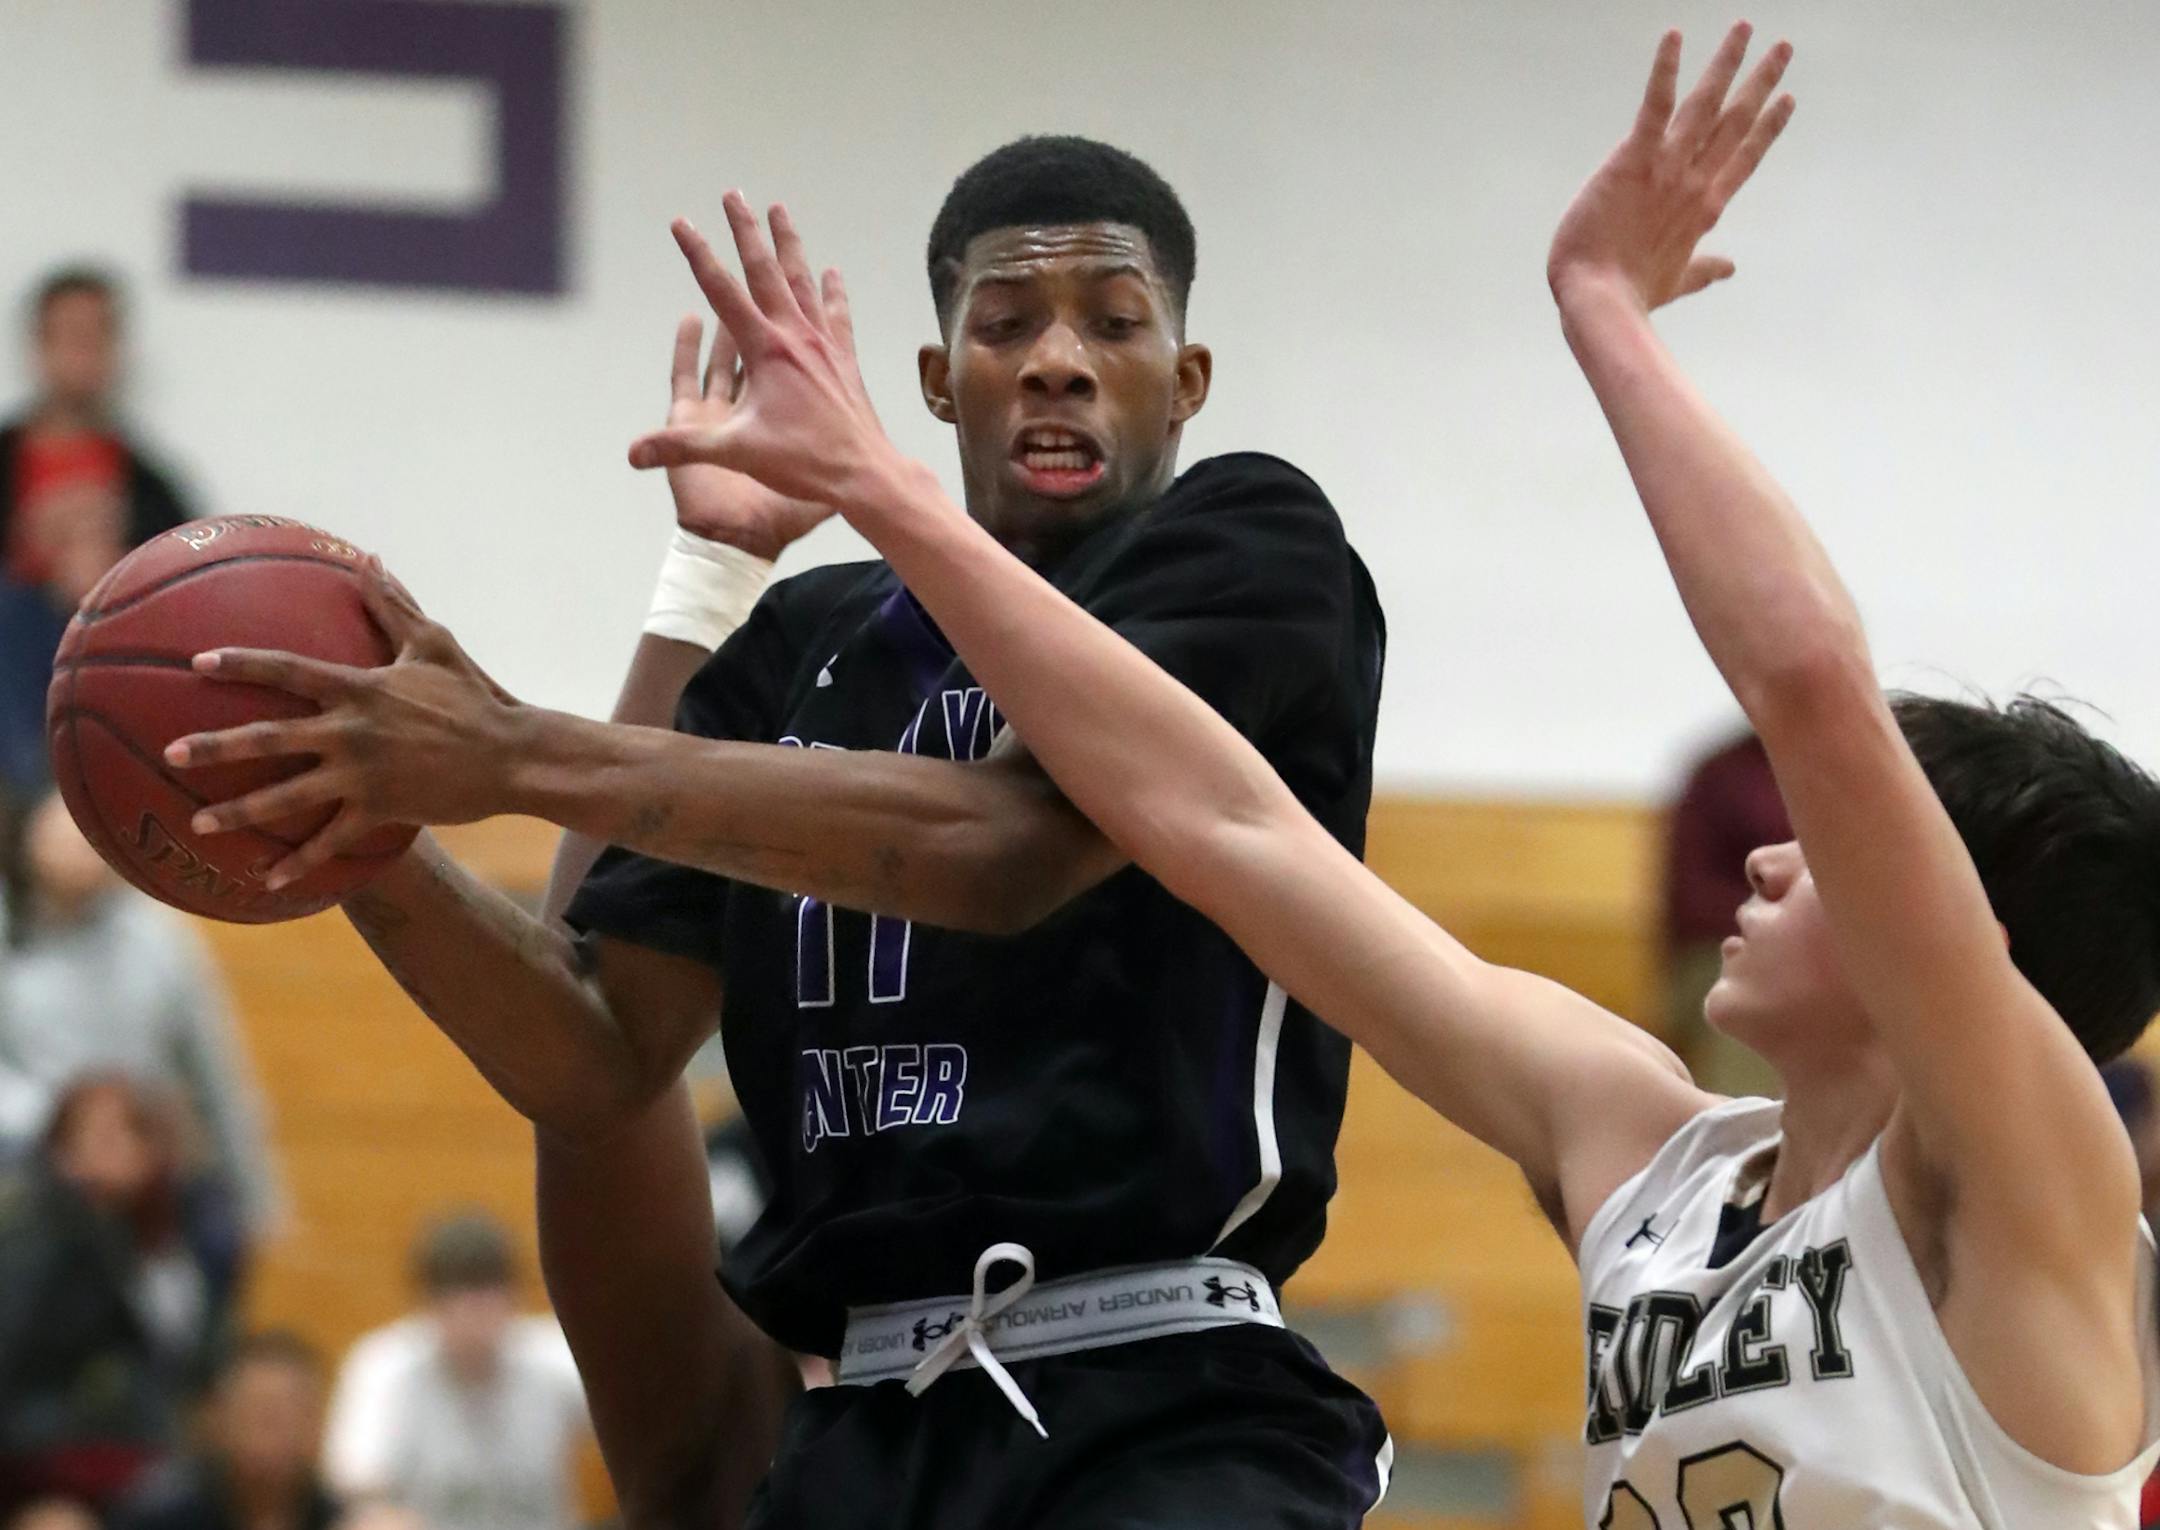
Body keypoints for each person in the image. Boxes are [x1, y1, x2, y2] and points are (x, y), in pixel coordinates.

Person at [589, 22, 2160, 1528]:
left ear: (1961, 936)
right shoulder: (1652, 1155)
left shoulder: (2023, 1193)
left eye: (1825, 849)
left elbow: (1811, 690)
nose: (1765, 855)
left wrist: (1602, 303)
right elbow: (1225, 827)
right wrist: (858, 511)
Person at [164, 137, 1391, 1527]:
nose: (1057, 358)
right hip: (865, 1422)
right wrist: (352, 821)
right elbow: (591, 1051)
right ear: (940, 383)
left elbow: (1008, 849)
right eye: (1004, 325)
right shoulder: (807, 641)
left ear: (1186, 379)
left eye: (1115, 321)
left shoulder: (1256, 543)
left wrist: (514, 751)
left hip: (1170, 1398)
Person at [0, 788, 281, 1320]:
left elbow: (213, 1072)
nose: (76, 853)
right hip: (26, 1169)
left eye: (89, 839)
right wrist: (64, 1128)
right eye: (62, 835)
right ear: (31, 837)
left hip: (145, 1178)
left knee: (188, 1288)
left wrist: (253, 1199)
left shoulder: (158, 935)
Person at [0, 268, 195, 797]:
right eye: (70, 337)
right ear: (39, 347)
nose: (84, 354)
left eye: (98, 337)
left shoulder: (153, 486)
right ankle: (37, 808)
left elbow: (194, 600)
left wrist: (109, 579)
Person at [0, 1076, 204, 1517]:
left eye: (125, 1134)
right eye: (92, 1135)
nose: (107, 1151)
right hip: (47, 1448)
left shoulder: (174, 1233)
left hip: (135, 1442)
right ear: (58, 1150)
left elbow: (188, 1353)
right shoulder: (33, 1233)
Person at [321, 1211, 590, 1530]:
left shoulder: (554, 1360)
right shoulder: (385, 1365)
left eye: (486, 1293)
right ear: (427, 1301)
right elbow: (359, 1489)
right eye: (458, 1295)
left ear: (514, 1296)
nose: (473, 1314)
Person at [1661, 728, 1788, 1096]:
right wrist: (1776, 919)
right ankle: (1755, 1136)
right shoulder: (1722, 775)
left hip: (1822, 950)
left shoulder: (1847, 766)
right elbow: (1692, 900)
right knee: (1759, 997)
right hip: (1721, 953)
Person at [116, 1334, 339, 1530]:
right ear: (219, 1421)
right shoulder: (157, 1517)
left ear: (317, 1424)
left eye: (290, 1413)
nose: (271, 1433)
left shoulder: (343, 1521)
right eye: (256, 1412)